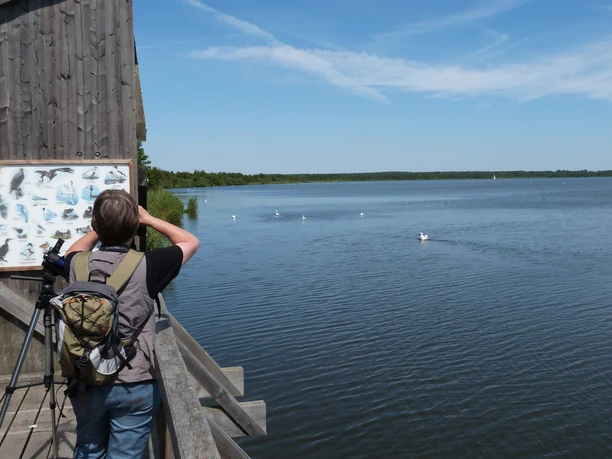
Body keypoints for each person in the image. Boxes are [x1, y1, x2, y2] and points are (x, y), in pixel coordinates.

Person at [63, 189, 199, 459]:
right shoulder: (149, 265)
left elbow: (74, 249)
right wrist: (147, 219)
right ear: (134, 227)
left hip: (85, 377)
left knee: (88, 448)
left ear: (95, 226)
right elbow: (190, 241)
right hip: (134, 380)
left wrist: (97, 229)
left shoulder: (77, 264)